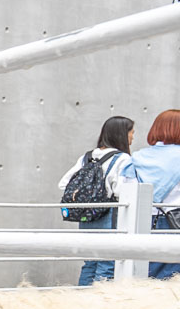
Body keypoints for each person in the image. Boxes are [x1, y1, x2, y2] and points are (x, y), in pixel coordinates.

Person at [57, 115, 134, 285]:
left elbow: (64, 184)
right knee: (107, 262)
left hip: (87, 215)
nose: (132, 137)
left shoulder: (87, 157)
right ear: (121, 134)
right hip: (110, 214)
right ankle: (99, 298)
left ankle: (82, 295)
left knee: (90, 262)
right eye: (131, 132)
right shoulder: (122, 159)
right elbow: (122, 190)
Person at [124, 109, 180, 279]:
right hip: (176, 219)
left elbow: (127, 189)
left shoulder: (137, 157)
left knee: (146, 274)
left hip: (143, 221)